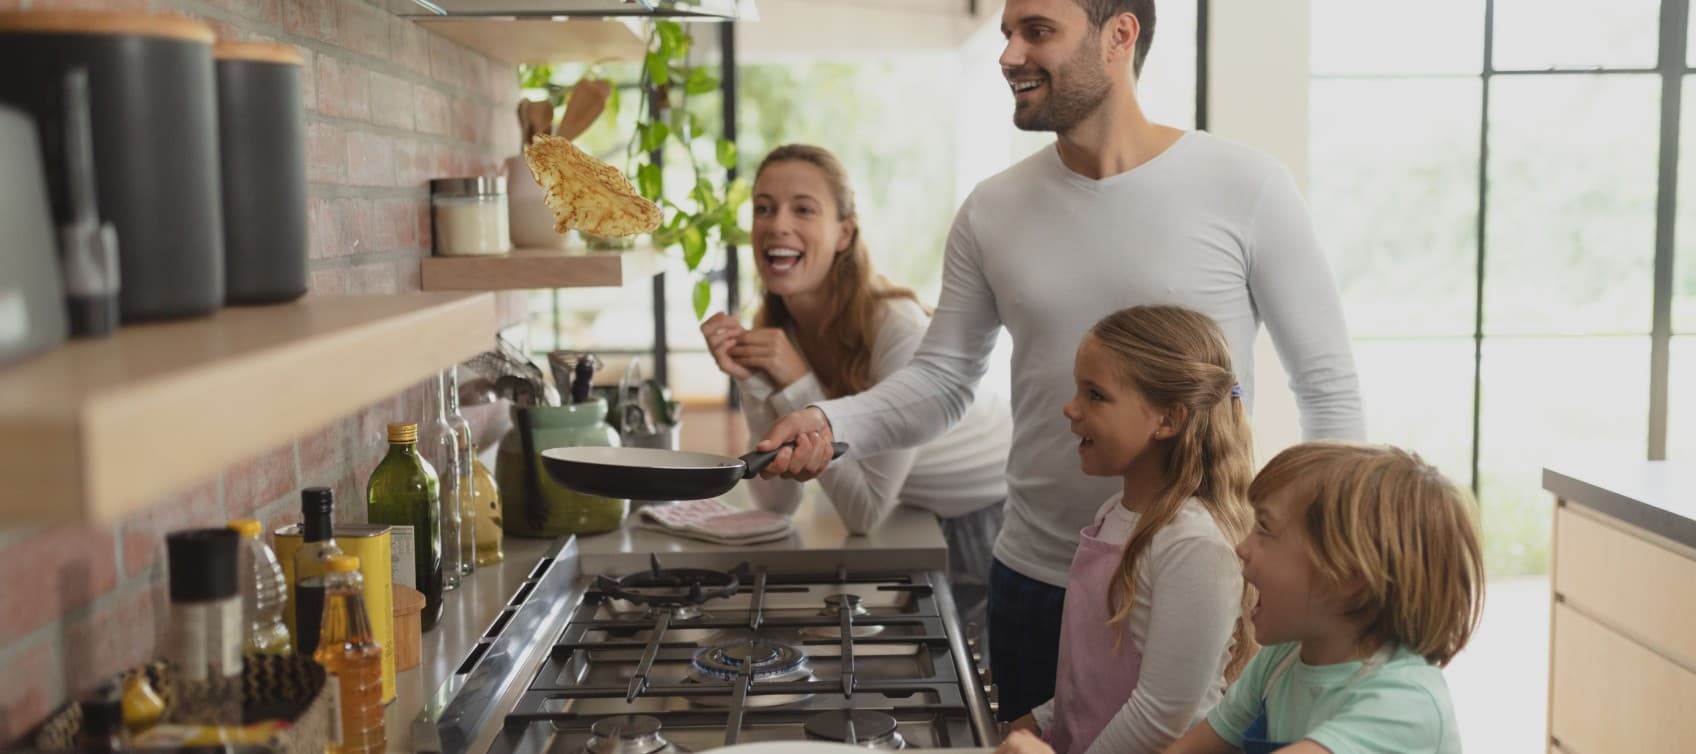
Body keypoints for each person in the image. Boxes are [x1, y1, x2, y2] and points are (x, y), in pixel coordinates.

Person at [747, 0, 1366, 722]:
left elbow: (1327, 389)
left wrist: (1311, 559)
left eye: (1036, 31)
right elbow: (944, 379)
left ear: (1119, 36)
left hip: (1205, 585)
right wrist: (825, 418)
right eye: (1008, 32)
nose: (1008, 54)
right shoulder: (993, 209)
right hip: (1038, 579)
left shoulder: (1248, 187)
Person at [699, 143, 1013, 637]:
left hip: (986, 516)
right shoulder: (783, 329)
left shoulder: (896, 328)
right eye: (764, 207)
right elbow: (774, 503)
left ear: (844, 232)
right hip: (917, 510)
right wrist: (753, 378)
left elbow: (864, 513)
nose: (777, 223)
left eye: (803, 208)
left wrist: (798, 383)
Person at [996, 442, 1483, 754]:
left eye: (1266, 531)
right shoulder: (1281, 661)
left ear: (1349, 575)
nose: (1242, 548)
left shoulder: (1400, 708)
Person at [1009, 306, 1255, 754]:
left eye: (1095, 395)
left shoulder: (1194, 544)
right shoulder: (1114, 515)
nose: (1071, 407)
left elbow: (1160, 716)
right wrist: (1027, 724)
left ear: (1168, 420)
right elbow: (1093, 680)